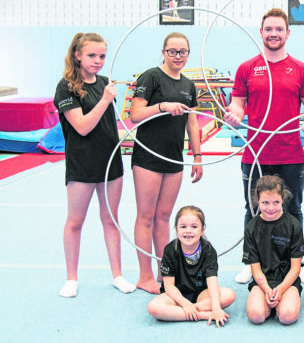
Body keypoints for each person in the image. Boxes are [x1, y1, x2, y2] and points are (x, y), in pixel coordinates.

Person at [223, 8, 304, 284]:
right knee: (253, 209)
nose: (273, 34)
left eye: (279, 29)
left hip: (290, 152)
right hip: (255, 153)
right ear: (261, 32)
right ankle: (250, 261)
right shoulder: (246, 68)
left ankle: (295, 264)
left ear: (288, 33)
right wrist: (234, 116)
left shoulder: (300, 69)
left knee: (292, 209)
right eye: (269, 29)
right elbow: (238, 106)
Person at [54, 32, 136, 297]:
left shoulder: (104, 82)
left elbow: (108, 124)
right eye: (92, 55)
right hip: (82, 164)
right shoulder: (66, 87)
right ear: (77, 55)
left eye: (102, 55)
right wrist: (103, 99)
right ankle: (71, 277)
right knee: (75, 221)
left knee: (111, 219)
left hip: (110, 161)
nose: (98, 61)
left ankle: (118, 274)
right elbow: (82, 127)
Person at [131, 32, 203, 294]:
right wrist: (161, 106)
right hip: (149, 157)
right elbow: (135, 115)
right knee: (146, 216)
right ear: (163, 52)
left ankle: (166, 272)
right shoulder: (150, 77)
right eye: (172, 51)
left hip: (174, 158)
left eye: (183, 52)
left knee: (163, 217)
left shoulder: (189, 85)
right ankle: (144, 275)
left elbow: (192, 122)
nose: (178, 57)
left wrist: (197, 155)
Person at [147, 206, 236, 326]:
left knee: (229, 295)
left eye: (194, 227)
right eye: (183, 227)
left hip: (200, 295)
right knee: (154, 308)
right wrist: (185, 303)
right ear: (176, 229)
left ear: (202, 230)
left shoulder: (208, 250)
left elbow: (212, 281)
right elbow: (169, 286)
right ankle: (201, 315)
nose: (188, 231)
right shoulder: (170, 250)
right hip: (175, 297)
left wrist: (215, 308)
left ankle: (181, 313)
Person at [243, 175, 304, 325]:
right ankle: (267, 300)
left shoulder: (293, 225)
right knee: (256, 316)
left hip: (287, 281)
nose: (271, 208)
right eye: (265, 202)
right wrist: (266, 288)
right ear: (257, 200)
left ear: (283, 200)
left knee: (287, 316)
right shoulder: (252, 228)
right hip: (262, 282)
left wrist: (281, 288)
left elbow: (295, 267)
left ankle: (284, 300)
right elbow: (256, 268)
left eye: (276, 202)